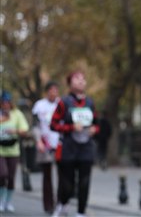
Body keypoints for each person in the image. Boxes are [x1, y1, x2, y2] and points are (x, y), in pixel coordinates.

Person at [50, 71, 98, 217]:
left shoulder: (90, 103)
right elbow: (53, 125)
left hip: (86, 148)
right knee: (67, 184)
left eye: (83, 79)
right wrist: (70, 127)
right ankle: (62, 204)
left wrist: (94, 130)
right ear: (70, 83)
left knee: (84, 182)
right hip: (68, 148)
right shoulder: (64, 102)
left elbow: (97, 124)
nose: (81, 81)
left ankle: (81, 212)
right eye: (77, 79)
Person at [32, 80, 61, 214]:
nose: (54, 93)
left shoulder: (61, 104)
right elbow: (35, 125)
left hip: (59, 143)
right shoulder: (39, 105)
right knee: (47, 176)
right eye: (51, 90)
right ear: (47, 91)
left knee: (63, 175)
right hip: (45, 143)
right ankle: (49, 205)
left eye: (56, 90)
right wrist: (38, 141)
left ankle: (61, 202)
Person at [0, 90, 30, 213]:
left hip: (13, 150)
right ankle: (1, 200)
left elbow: (25, 130)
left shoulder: (17, 114)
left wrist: (15, 131)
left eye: (7, 102)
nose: (5, 105)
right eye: (3, 102)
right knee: (2, 174)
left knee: (11, 177)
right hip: (0, 150)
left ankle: (8, 202)